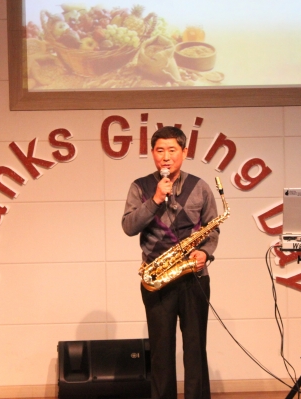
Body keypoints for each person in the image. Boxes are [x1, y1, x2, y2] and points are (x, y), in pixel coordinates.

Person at [122, 126, 220, 399]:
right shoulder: (140, 187)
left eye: (172, 150)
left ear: (184, 152)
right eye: (160, 150)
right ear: (153, 153)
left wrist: (205, 253)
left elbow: (212, 228)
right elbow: (129, 227)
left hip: (194, 278)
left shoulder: (199, 186)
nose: (166, 157)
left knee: (195, 350)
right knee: (161, 353)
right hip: (158, 280)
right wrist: (155, 199)